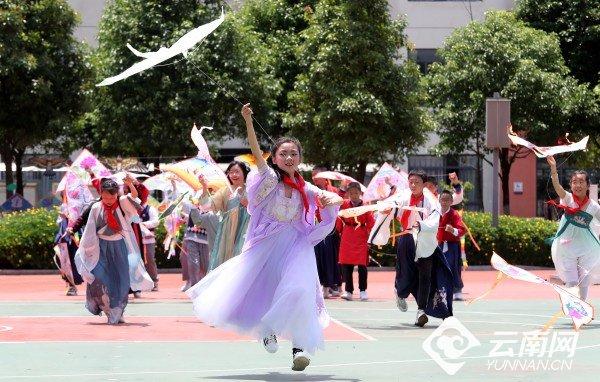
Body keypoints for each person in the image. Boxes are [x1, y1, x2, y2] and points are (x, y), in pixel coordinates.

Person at [187, 103, 342, 371]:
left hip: (297, 245)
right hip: (267, 244)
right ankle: (267, 329)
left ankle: (299, 348)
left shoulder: (306, 188)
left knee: (300, 291)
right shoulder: (268, 178)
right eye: (284, 153)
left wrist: (331, 199)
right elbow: (256, 152)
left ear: (300, 158)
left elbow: (328, 201)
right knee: (267, 291)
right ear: (275, 157)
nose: (289, 157)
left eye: (294, 153)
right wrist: (248, 120)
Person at [369, 170, 454, 327]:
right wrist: (387, 210)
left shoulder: (431, 200)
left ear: (424, 184)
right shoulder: (403, 196)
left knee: (426, 276)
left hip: (426, 241)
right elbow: (392, 207)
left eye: (417, 182)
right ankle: (400, 293)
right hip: (407, 239)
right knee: (405, 273)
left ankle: (421, 310)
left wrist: (422, 225)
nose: (413, 185)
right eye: (411, 182)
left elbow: (435, 219)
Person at [75, 177, 154, 324]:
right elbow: (90, 229)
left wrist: (130, 184)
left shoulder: (123, 203)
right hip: (101, 248)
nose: (109, 199)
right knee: (100, 279)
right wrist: (85, 248)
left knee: (121, 279)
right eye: (105, 197)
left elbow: (135, 196)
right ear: (101, 194)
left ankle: (118, 309)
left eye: (112, 196)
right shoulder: (96, 207)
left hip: (120, 247)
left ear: (117, 194)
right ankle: (107, 309)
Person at [547, 155, 600, 300]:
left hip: (586, 248)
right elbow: (557, 187)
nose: (578, 185)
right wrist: (553, 168)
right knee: (572, 281)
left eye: (581, 182)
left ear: (588, 185)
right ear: (571, 185)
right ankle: (574, 309)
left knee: (584, 281)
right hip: (567, 246)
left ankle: (582, 308)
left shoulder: (594, 207)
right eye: (574, 182)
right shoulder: (568, 198)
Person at [198, 161, 251, 270]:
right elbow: (207, 205)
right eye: (231, 172)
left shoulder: (251, 189)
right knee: (229, 260)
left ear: (244, 173)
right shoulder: (225, 191)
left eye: (237, 171)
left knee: (244, 257)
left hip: (248, 229)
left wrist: (249, 205)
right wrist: (204, 186)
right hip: (229, 231)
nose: (234, 175)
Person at [336, 182, 374, 301]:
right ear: (348, 193)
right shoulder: (345, 204)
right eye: (351, 193)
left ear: (360, 193)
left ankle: (363, 290)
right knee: (347, 265)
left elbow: (371, 222)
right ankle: (348, 291)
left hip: (361, 234)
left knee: (362, 265)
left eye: (356, 193)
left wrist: (371, 235)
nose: (353, 195)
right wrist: (338, 230)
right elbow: (339, 218)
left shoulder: (365, 206)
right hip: (347, 234)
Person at [312, 166, 343, 298]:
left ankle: (334, 285)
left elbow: (342, 205)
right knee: (319, 260)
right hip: (317, 229)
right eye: (313, 175)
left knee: (332, 259)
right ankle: (322, 286)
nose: (314, 178)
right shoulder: (312, 191)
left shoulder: (334, 191)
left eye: (317, 175)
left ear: (325, 178)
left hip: (331, 231)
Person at [437, 190, 466, 301]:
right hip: (438, 245)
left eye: (447, 200)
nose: (444, 202)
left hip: (452, 246)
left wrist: (453, 230)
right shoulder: (435, 212)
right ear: (439, 200)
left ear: (451, 201)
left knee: (452, 267)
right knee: (438, 267)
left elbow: (462, 230)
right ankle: (441, 290)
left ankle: (457, 290)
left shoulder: (454, 214)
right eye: (442, 200)